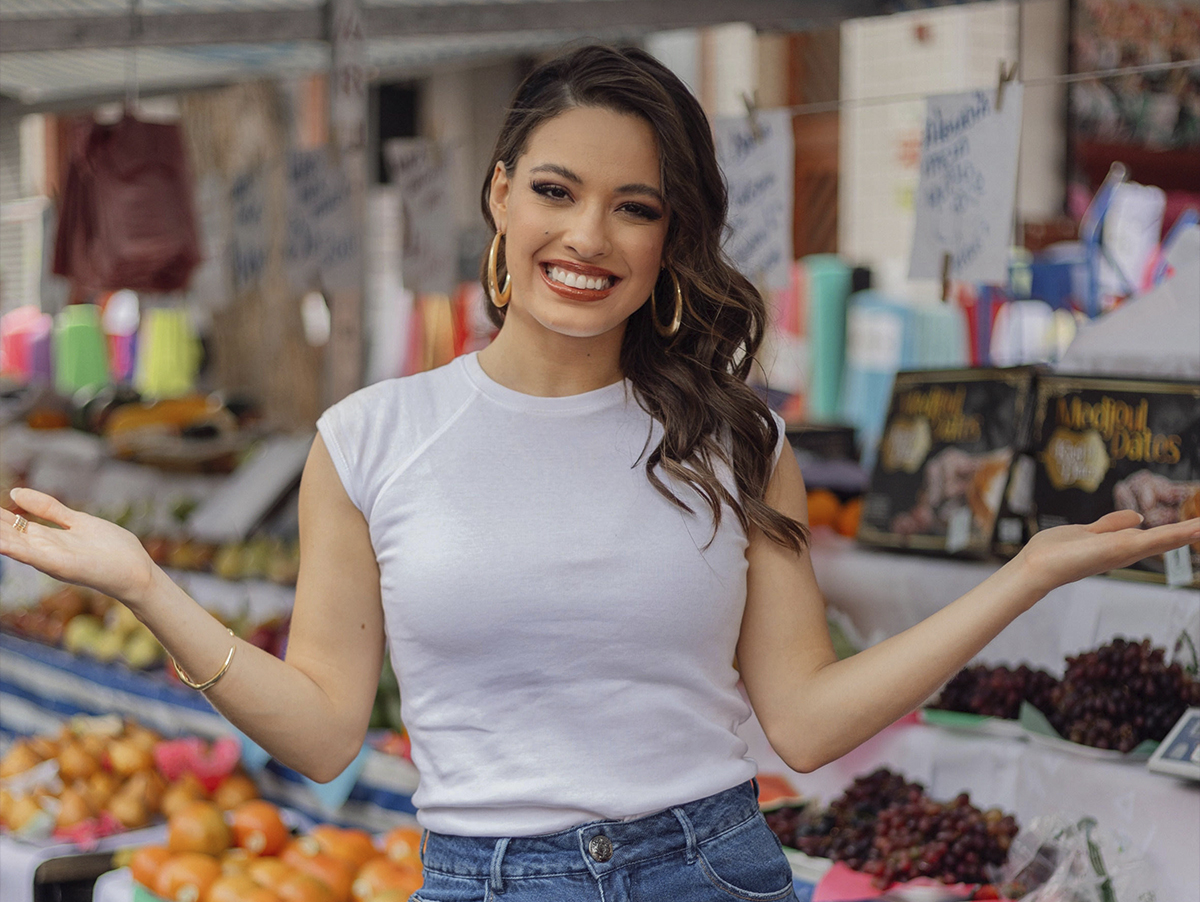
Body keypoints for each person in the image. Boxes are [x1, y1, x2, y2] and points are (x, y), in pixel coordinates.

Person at [2, 44, 1197, 902]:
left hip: (715, 867)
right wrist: (145, 583)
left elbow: (804, 715)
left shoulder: (739, 443)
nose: (588, 238)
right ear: (500, 194)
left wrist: (1026, 574)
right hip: (484, 877)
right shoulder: (367, 437)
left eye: (636, 207)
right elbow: (322, 734)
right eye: (558, 192)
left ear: (673, 237)